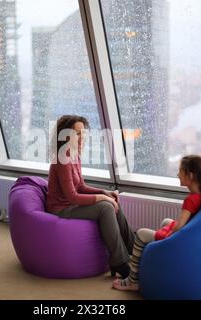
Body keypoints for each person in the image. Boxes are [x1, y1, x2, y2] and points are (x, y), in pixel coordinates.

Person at [46, 115, 135, 278]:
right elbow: (72, 197)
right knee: (105, 207)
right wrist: (103, 199)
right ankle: (119, 261)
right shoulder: (62, 159)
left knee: (112, 200)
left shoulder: (74, 155)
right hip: (61, 208)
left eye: (84, 133)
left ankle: (134, 250)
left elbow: (80, 186)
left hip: (71, 204)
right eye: (77, 133)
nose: (82, 138)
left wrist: (104, 193)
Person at [112, 155, 201, 291]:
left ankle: (133, 280)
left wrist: (168, 236)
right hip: (189, 234)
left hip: (180, 238)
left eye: (180, 171)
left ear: (189, 176)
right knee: (166, 221)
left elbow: (180, 226)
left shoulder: (191, 200)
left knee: (142, 233)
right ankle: (150, 264)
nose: (178, 174)